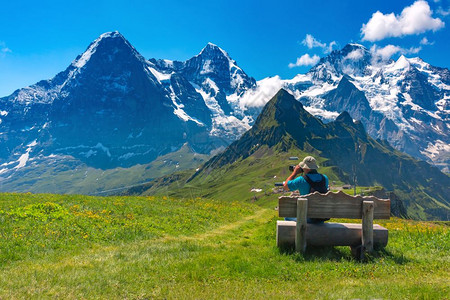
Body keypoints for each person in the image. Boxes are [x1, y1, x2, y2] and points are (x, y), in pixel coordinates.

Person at [283, 156, 329, 223]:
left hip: (307, 218)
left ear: (306, 168)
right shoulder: (325, 178)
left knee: (287, 217)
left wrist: (295, 172)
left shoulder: (301, 180)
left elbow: (286, 186)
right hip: (320, 217)